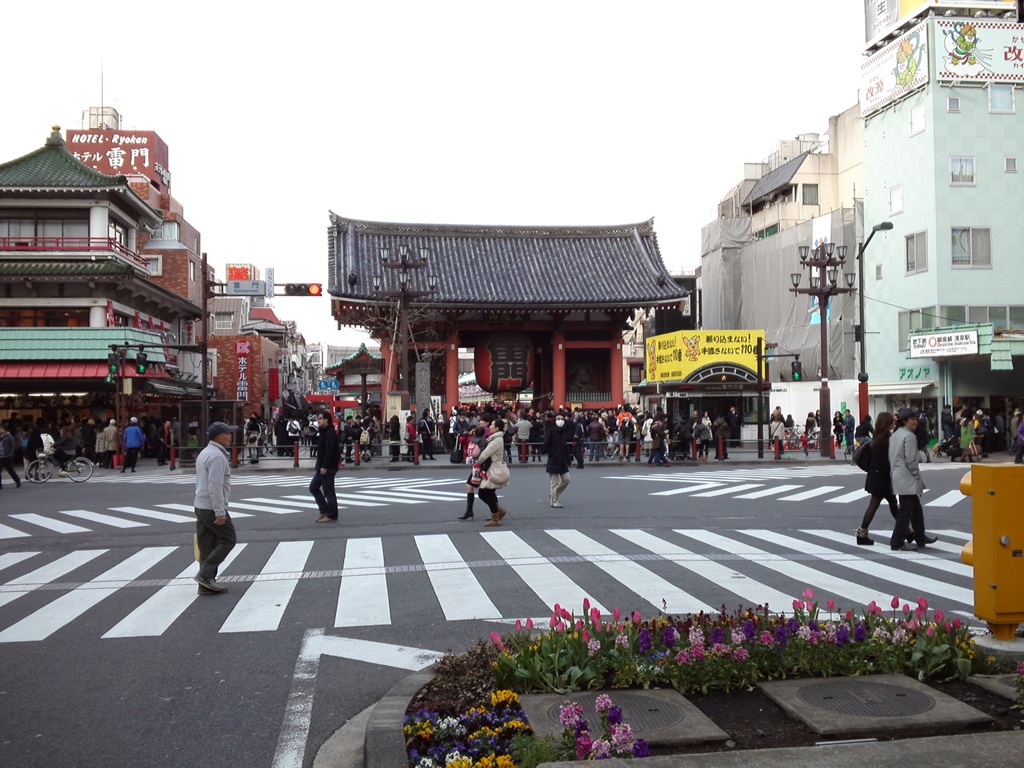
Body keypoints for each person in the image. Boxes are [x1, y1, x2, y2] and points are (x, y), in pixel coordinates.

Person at [193, 421, 238, 594]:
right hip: (211, 507)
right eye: (228, 433)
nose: (231, 436)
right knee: (228, 539)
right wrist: (220, 512)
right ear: (219, 437)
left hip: (201, 504)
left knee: (207, 545)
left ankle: (205, 585)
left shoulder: (205, 452)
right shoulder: (217, 457)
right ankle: (204, 575)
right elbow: (215, 486)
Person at [889, 407, 937, 551]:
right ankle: (896, 541)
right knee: (906, 511)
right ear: (905, 421)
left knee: (916, 509)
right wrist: (916, 474)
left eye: (915, 419)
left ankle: (920, 537)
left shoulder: (895, 435)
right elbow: (911, 460)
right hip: (907, 477)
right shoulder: (909, 436)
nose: (915, 421)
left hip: (898, 475)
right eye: (912, 419)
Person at [856, 411, 899, 546]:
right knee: (877, 505)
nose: (894, 422)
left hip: (876, 476)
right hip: (883, 478)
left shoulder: (877, 438)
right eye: (892, 421)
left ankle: (907, 531)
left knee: (887, 504)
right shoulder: (887, 439)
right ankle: (862, 533)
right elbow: (887, 462)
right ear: (887, 424)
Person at [477, 417, 510, 526]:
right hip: (494, 467)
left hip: (493, 469)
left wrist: (477, 461)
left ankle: (495, 518)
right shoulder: (496, 438)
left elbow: (486, 454)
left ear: (497, 428)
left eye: (492, 425)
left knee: (484, 492)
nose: (490, 426)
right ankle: (498, 512)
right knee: (489, 492)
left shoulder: (496, 440)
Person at [310, 411, 340, 523]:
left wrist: (324, 466)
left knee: (328, 492)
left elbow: (329, 451)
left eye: (320, 418)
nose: (318, 420)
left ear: (326, 420)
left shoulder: (330, 433)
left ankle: (332, 515)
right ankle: (324, 510)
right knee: (313, 487)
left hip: (327, 467)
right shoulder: (323, 431)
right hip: (321, 466)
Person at [544, 413, 573, 507]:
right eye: (558, 418)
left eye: (562, 418)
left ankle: (554, 493)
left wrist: (569, 461)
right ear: (554, 420)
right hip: (553, 460)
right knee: (554, 482)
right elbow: (546, 445)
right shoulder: (551, 431)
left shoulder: (564, 432)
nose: (560, 420)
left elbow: (565, 448)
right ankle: (554, 501)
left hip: (562, 460)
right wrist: (553, 453)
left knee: (567, 479)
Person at [0, 422, 22, 489]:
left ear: (4, 429)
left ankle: (17, 481)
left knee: (10, 470)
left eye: (1, 429)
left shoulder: (9, 437)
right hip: (0, 456)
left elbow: (12, 447)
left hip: (7, 457)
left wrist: (10, 455)